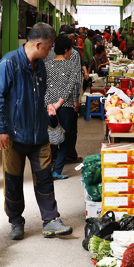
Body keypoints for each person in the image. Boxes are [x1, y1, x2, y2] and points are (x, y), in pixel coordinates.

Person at [0, 23, 73, 240]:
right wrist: (0, 129)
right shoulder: (9, 63)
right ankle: (16, 221)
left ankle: (51, 220)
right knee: (13, 181)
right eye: (49, 47)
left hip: (39, 134)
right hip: (14, 136)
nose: (51, 51)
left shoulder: (41, 65)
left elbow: (40, 95)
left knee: (45, 178)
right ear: (39, 44)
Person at [45, 35, 82, 180]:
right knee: (65, 139)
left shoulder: (46, 65)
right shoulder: (72, 66)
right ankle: (57, 170)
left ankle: (45, 171)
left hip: (48, 107)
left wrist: (50, 104)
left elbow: (44, 88)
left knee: (49, 137)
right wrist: (60, 103)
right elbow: (71, 86)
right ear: (66, 50)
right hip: (66, 106)